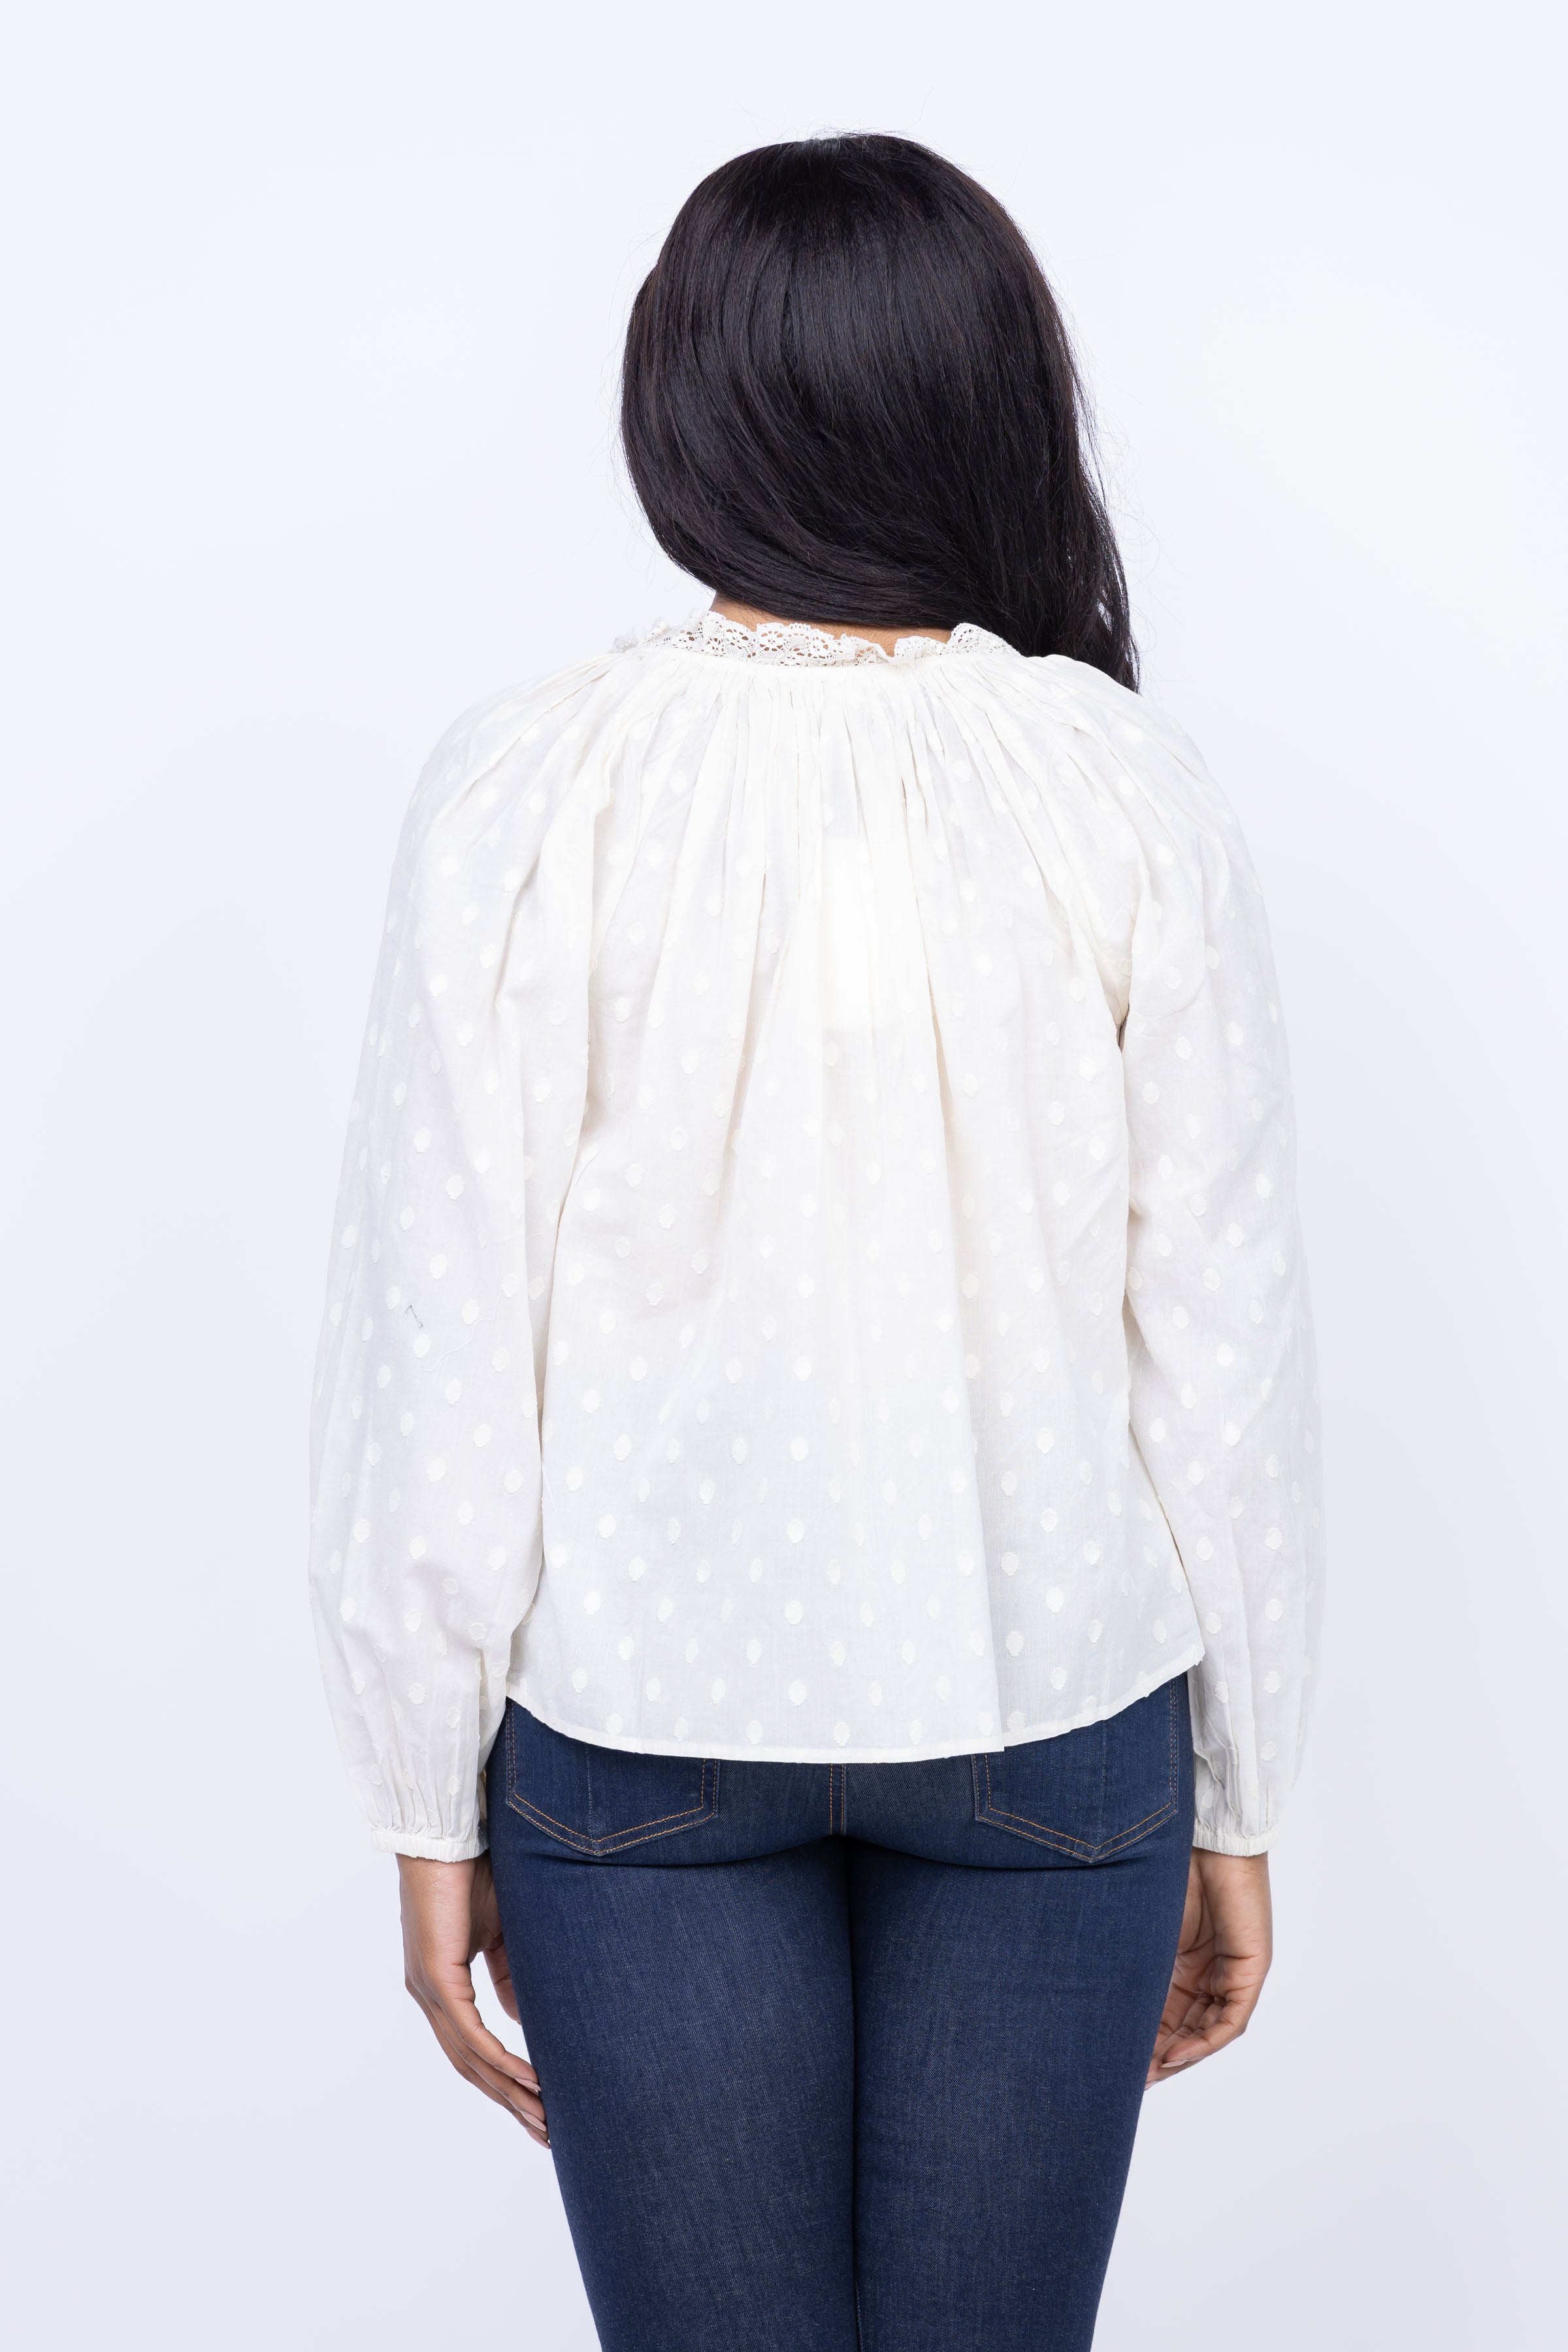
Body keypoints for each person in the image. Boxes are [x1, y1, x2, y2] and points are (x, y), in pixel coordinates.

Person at [308, 133, 1323, 2352]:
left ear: (684, 405)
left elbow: (443, 1324)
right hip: (1057, 1723)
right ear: (991, 400)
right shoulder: (1120, 782)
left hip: (637, 1726)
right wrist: (1242, 1789)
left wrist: (420, 1787)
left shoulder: (530, 782)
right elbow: (1220, 1349)